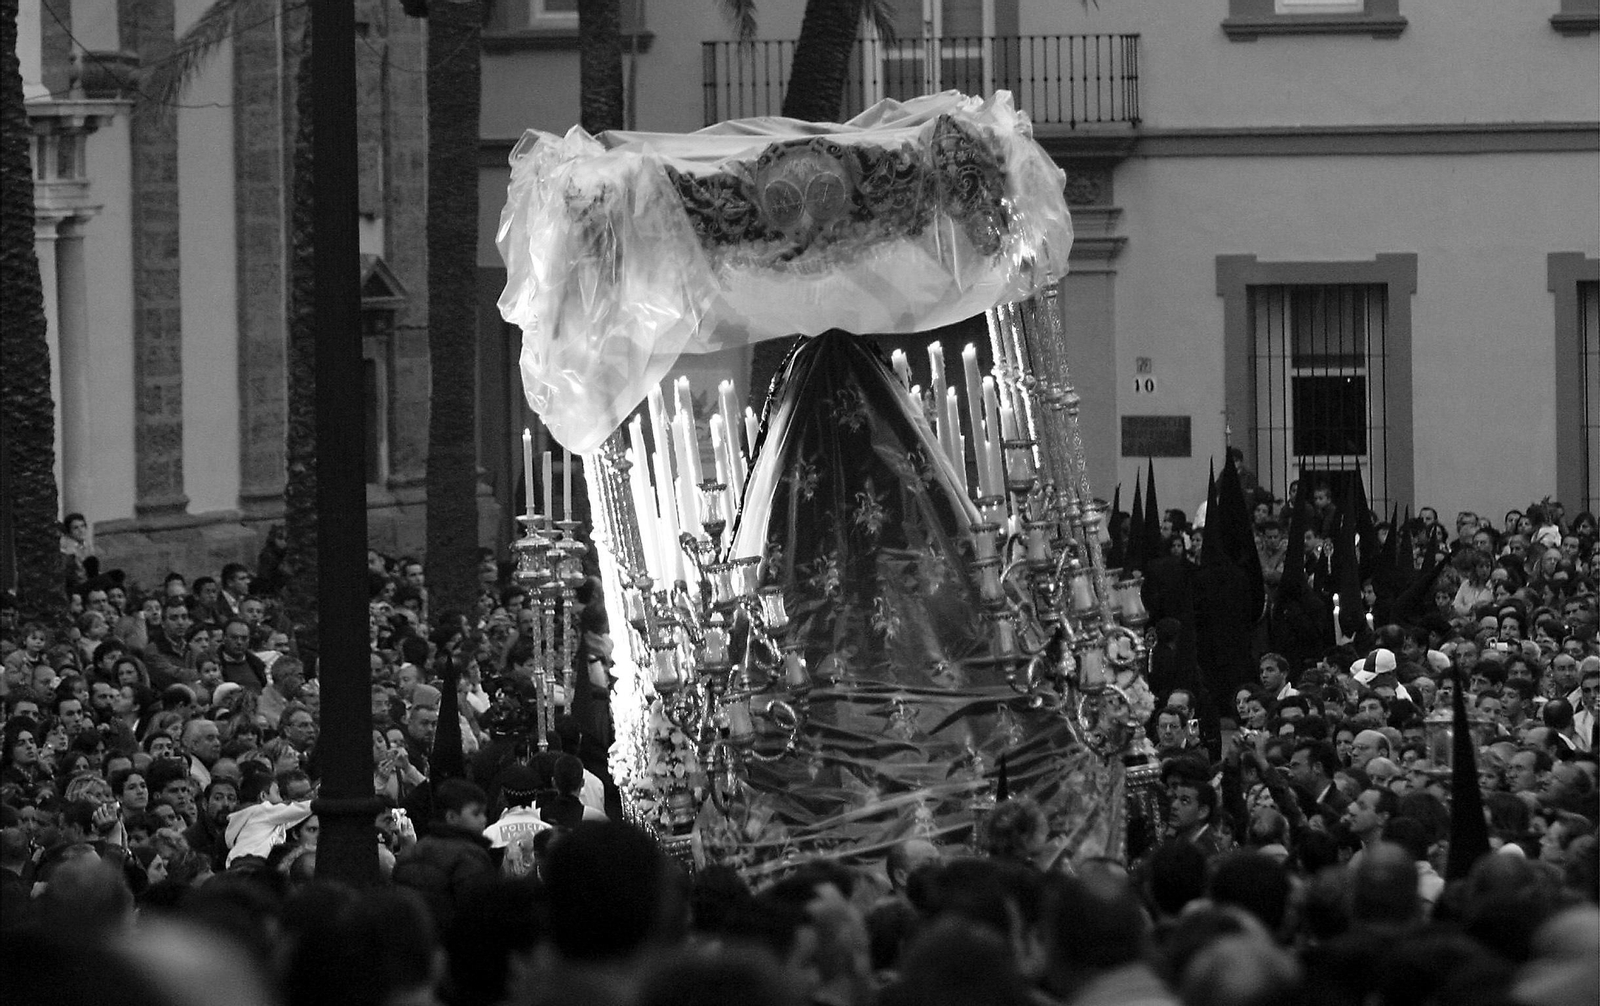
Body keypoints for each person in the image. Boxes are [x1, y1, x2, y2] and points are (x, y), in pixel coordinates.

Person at [392, 778, 494, 931]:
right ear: (451, 817)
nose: (484, 820)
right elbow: (479, 912)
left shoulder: (413, 851)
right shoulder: (470, 857)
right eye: (476, 814)